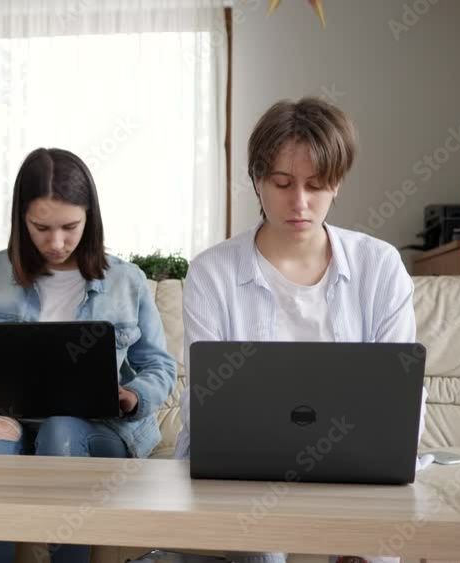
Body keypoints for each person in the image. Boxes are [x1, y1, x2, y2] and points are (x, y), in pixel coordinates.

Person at [175, 98, 426, 563]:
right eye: (282, 183)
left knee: (376, 551)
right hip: (245, 471)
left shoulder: (380, 266)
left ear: (337, 183)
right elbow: (204, 407)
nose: (300, 203)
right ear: (256, 179)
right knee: (258, 548)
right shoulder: (212, 273)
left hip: (355, 466)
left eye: (317, 185)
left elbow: (401, 400)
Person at [0, 148, 177, 563]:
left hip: (97, 430)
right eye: (41, 228)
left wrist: (133, 396)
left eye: (70, 227)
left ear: (89, 218)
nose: (56, 243)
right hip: (13, 420)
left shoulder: (126, 281)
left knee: (60, 429)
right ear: (21, 219)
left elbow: (158, 365)